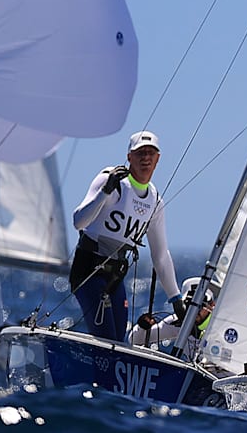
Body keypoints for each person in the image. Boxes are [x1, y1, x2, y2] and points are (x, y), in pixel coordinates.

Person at [70, 130, 182, 341]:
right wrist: (104, 192)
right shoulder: (112, 180)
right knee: (106, 338)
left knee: (119, 341)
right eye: (140, 153)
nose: (145, 158)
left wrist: (176, 298)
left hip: (115, 276)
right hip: (87, 271)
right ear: (129, 156)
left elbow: (160, 255)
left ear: (158, 159)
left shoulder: (155, 201)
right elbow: (79, 222)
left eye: (151, 153)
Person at [130, 276, 215, 348]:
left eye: (201, 305)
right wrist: (143, 326)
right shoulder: (177, 323)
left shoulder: (219, 324)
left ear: (212, 305)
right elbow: (134, 340)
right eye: (189, 304)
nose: (194, 310)